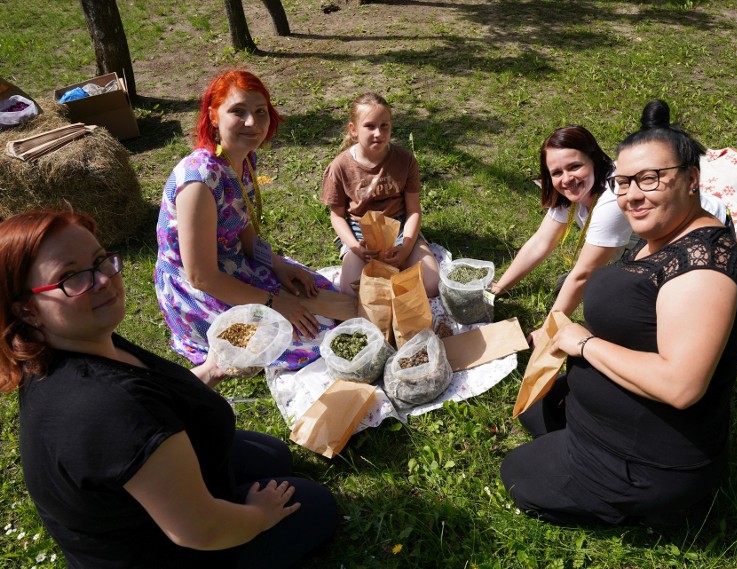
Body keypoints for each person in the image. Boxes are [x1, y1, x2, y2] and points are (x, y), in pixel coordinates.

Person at [0, 209, 337, 568]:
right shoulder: (106, 408)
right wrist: (259, 515)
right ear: (27, 310)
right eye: (69, 277)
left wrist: (211, 368)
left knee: (272, 455)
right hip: (174, 550)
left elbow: (151, 399)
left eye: (100, 261)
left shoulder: (72, 341)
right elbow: (200, 530)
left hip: (156, 493)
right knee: (316, 505)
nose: (101, 280)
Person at [500, 100, 737, 525]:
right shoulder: (661, 232)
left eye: (650, 179)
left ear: (691, 179)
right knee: (533, 408)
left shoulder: (704, 266)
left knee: (518, 475)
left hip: (653, 460)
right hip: (617, 409)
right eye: (622, 183)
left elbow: (681, 386)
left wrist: (584, 344)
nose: (632, 195)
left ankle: (640, 495)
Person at [155, 69, 335, 371]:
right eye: (238, 111)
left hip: (233, 263)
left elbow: (241, 227)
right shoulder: (198, 182)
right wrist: (274, 303)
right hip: (198, 290)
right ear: (213, 116)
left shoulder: (243, 157)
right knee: (315, 340)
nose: (252, 123)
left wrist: (279, 266)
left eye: (260, 111)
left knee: (324, 294)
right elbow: (201, 277)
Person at [490, 126, 729, 344]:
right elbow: (542, 241)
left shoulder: (613, 201)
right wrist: (498, 288)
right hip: (647, 238)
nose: (566, 179)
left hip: (696, 233)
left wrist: (547, 330)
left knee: (622, 304)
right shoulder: (570, 189)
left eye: (575, 167)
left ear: (594, 160)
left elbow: (582, 275)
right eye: (556, 172)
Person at [321, 92, 440, 297]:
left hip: (400, 227)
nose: (378, 133)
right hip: (360, 233)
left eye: (384, 125)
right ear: (354, 130)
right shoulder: (340, 166)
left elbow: (413, 211)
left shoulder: (405, 160)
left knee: (431, 284)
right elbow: (337, 216)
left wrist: (406, 246)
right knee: (350, 290)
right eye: (370, 126)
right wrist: (355, 247)